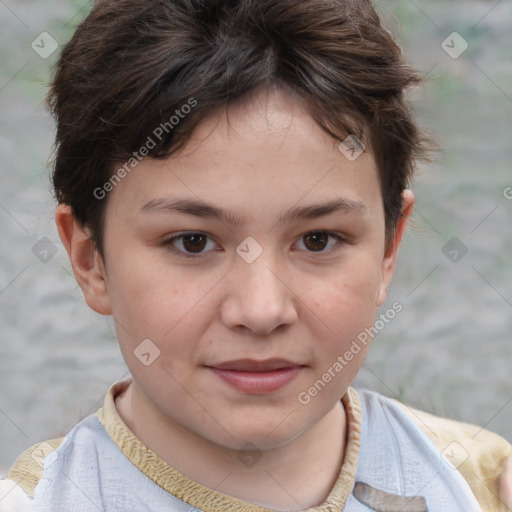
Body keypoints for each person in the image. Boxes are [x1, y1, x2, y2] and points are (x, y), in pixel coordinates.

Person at [1, 0, 511, 510]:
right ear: (90, 261)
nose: (262, 311)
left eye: (318, 240)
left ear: (388, 249)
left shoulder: (481, 487)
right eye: (192, 242)